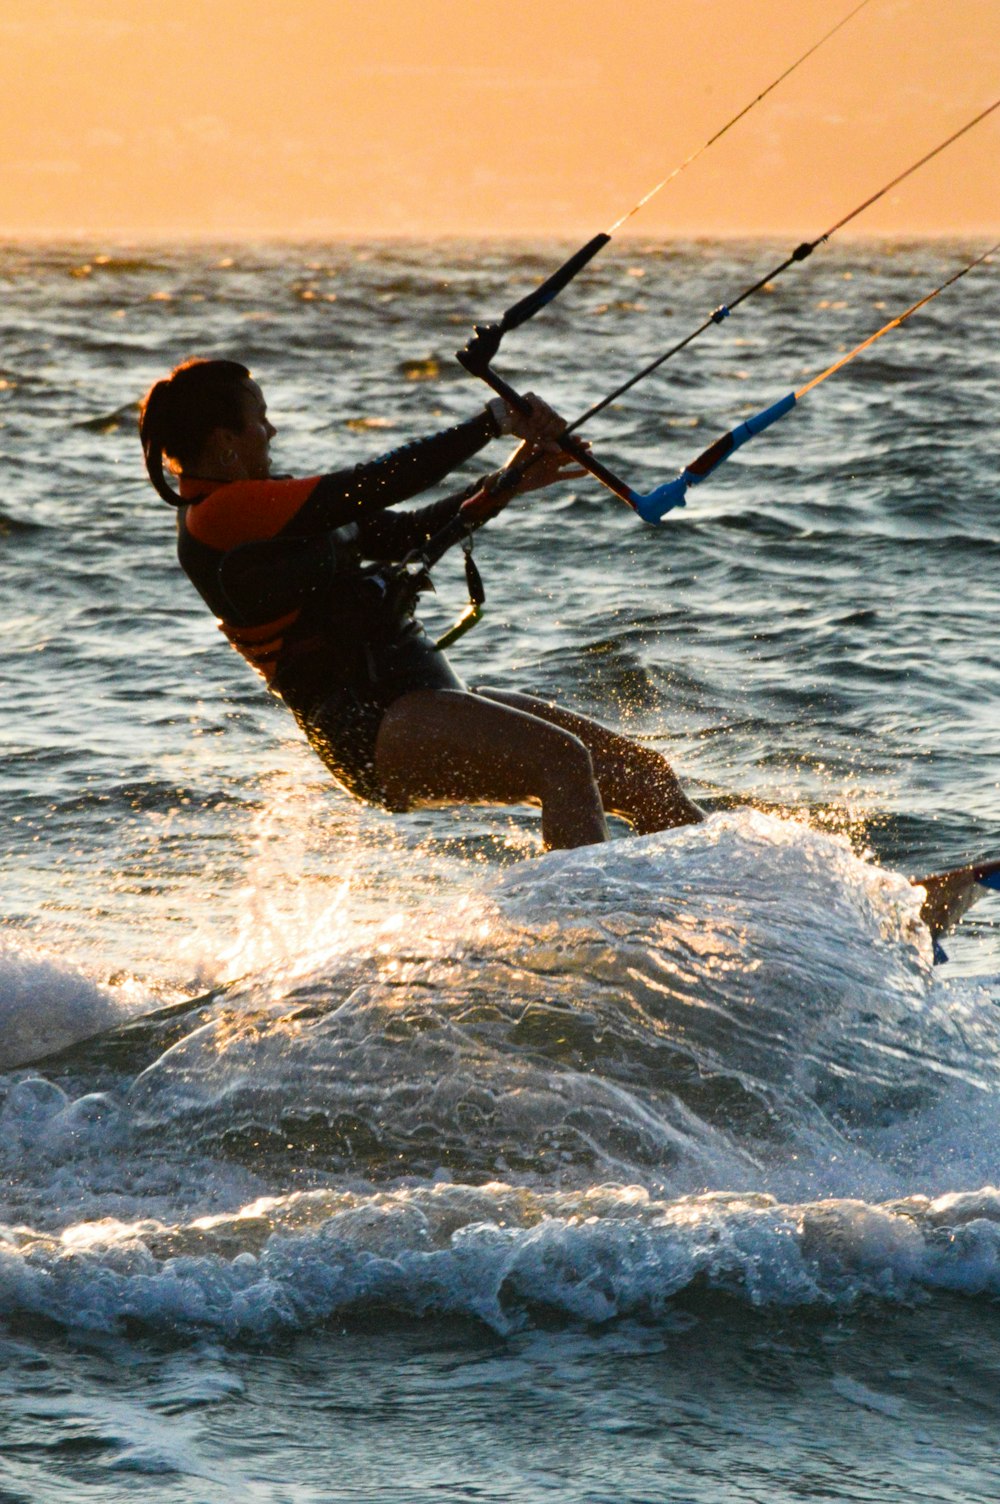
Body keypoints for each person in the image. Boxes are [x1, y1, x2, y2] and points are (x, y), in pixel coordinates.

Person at [139, 357, 704, 849]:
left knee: (639, 774)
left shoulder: (263, 504)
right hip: (373, 723)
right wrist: (492, 423)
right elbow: (374, 483)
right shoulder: (217, 518)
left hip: (421, 696)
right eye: (260, 418)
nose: (272, 429)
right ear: (224, 441)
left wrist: (506, 482)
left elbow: (403, 532)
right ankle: (586, 938)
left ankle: (749, 909)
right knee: (562, 763)